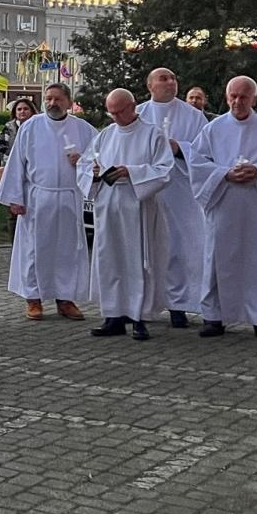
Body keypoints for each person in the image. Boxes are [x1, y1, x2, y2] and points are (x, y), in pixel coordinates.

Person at [186, 77, 257, 342]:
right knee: (217, 260)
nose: (238, 102)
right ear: (226, 98)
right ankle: (214, 316)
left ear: (255, 99)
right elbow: (197, 163)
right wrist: (224, 174)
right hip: (224, 205)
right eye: (233, 96)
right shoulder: (214, 129)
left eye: (243, 97)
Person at [79, 88, 173, 341]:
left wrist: (130, 172)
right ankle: (113, 315)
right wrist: (95, 173)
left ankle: (139, 317)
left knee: (138, 261)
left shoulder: (152, 134)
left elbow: (164, 170)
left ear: (133, 107)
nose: (116, 117)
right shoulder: (106, 135)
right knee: (110, 258)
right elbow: (85, 165)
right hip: (109, 204)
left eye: (120, 111)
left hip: (138, 205)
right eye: (112, 113)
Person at [0, 82, 95, 321]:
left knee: (67, 251)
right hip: (37, 199)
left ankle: (65, 299)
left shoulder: (83, 129)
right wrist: (14, 197)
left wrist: (82, 161)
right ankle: (33, 299)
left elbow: (101, 156)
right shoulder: (31, 127)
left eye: (58, 99)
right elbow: (16, 164)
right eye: (48, 98)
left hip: (69, 199)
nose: (52, 103)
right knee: (34, 251)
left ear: (69, 102)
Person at [137, 67, 208, 327]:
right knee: (149, 249)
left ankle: (179, 305)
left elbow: (205, 153)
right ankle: (145, 303)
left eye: (173, 78)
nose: (170, 82)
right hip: (149, 192)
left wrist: (180, 149)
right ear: (150, 86)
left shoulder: (193, 116)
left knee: (181, 248)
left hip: (181, 191)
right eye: (163, 79)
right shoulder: (139, 115)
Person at [0, 97, 37, 239]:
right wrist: (15, 164)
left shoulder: (38, 128)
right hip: (11, 173)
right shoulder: (9, 128)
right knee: (13, 212)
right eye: (19, 109)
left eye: (26, 109)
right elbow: (1, 149)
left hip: (33, 176)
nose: (22, 112)